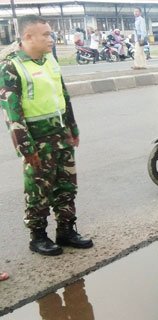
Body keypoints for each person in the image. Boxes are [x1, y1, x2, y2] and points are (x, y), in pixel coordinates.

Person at [0, 15, 93, 256]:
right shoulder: (11, 66)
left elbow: (63, 95)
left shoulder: (50, 60)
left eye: (50, 34)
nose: (51, 39)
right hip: (36, 141)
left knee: (66, 186)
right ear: (28, 37)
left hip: (61, 135)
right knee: (38, 190)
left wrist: (73, 128)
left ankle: (66, 230)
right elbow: (12, 113)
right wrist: (25, 148)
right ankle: (38, 236)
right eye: (46, 35)